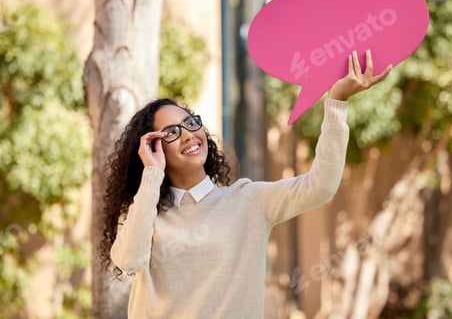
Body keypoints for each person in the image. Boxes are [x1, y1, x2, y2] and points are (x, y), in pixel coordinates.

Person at [100, 50, 392, 318]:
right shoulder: (143, 213)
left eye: (191, 123)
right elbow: (129, 260)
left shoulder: (247, 201)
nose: (188, 134)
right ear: (154, 148)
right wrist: (151, 176)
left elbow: (321, 186)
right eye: (172, 133)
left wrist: (337, 102)